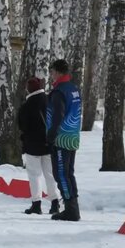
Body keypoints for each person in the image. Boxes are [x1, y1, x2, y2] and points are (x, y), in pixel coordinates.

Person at [17, 77, 60, 215]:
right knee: (50, 174)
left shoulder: (26, 106)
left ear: (29, 89)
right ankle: (55, 203)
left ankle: (36, 204)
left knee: (34, 175)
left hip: (32, 146)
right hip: (49, 144)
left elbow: (22, 126)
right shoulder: (51, 100)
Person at [46, 58, 83, 222]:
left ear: (58, 72)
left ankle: (70, 209)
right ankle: (73, 207)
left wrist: (51, 135)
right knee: (68, 173)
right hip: (72, 136)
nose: (51, 75)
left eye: (52, 71)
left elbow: (57, 115)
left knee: (60, 173)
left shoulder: (59, 91)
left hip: (61, 138)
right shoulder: (73, 89)